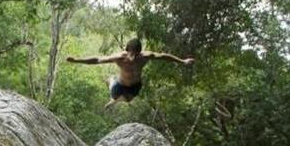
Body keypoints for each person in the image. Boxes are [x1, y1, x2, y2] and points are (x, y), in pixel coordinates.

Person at [66, 38, 194, 107]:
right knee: (116, 96)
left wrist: (182, 61)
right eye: (129, 53)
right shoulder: (120, 57)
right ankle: (111, 81)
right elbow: (97, 59)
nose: (131, 57)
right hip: (120, 84)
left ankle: (116, 97)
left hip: (136, 85)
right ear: (126, 50)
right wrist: (77, 60)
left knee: (128, 100)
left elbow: (164, 56)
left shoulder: (145, 56)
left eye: (135, 54)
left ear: (139, 52)